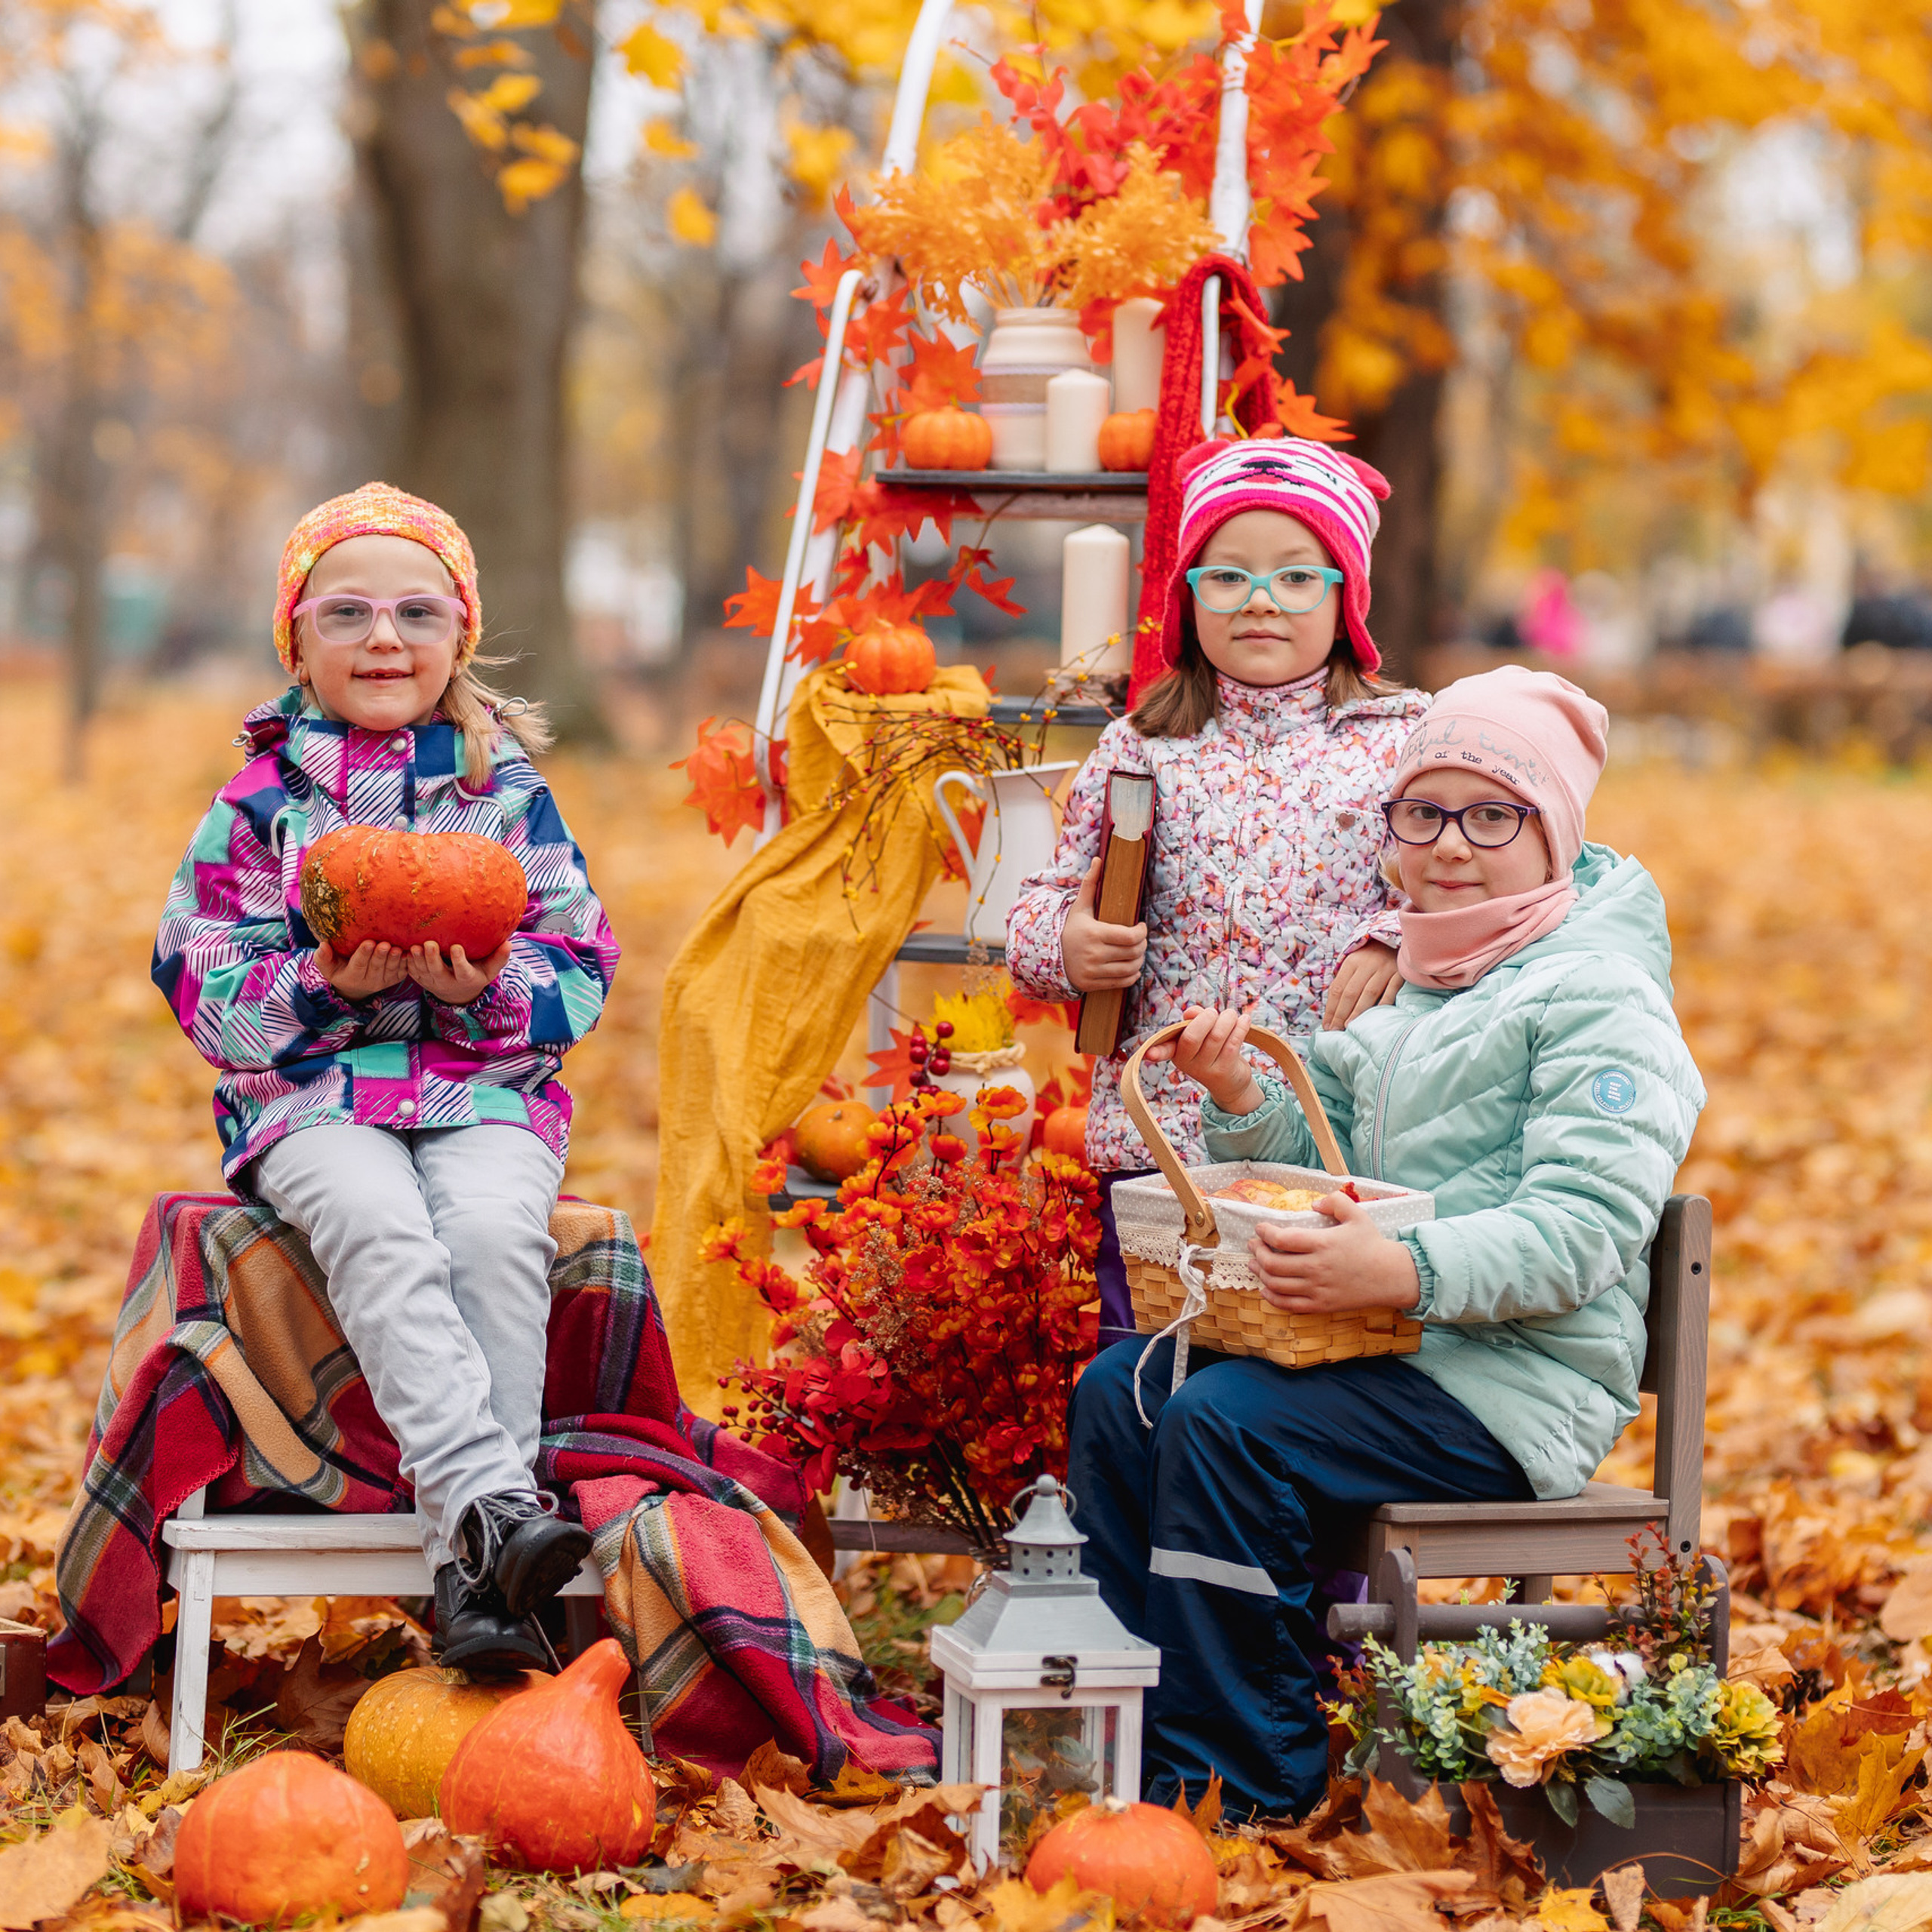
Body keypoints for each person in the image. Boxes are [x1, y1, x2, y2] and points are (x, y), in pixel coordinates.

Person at [1065, 665, 1706, 1820]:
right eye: (1424, 813)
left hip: (1509, 1383)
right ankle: (1151, 1738)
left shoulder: (1599, 996)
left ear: (1553, 834)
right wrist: (1235, 1093)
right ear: (1392, 835)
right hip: (1387, 1351)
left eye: (1492, 815)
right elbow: (1319, 1154)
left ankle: (1253, 1780)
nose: (1452, 846)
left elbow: (1586, 1226)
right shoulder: (1416, 988)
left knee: (1224, 1428)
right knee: (1127, 1392)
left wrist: (1402, 1266)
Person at [153, 481, 621, 1672]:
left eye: (417, 613)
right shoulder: (257, 808)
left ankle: (477, 1587)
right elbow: (199, 983)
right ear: (296, 640)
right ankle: (495, 1524)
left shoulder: (503, 791)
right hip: (312, 1097)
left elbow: (582, 965)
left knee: (492, 1235)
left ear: (459, 633)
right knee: (375, 1220)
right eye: (347, 613)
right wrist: (323, 988)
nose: (383, 639)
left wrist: (487, 996)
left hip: (487, 1089)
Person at [1008, 438, 1429, 1348]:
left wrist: (1397, 933)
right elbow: (1039, 904)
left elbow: (1481, 895)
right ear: (1187, 595)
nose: (1261, 601)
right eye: (1227, 577)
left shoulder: (1402, 742)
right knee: (1146, 1368)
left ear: (1344, 595)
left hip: (1331, 1143)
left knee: (1302, 1376)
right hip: (1157, 1146)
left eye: (1296, 577)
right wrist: (1067, 945)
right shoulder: (1143, 747)